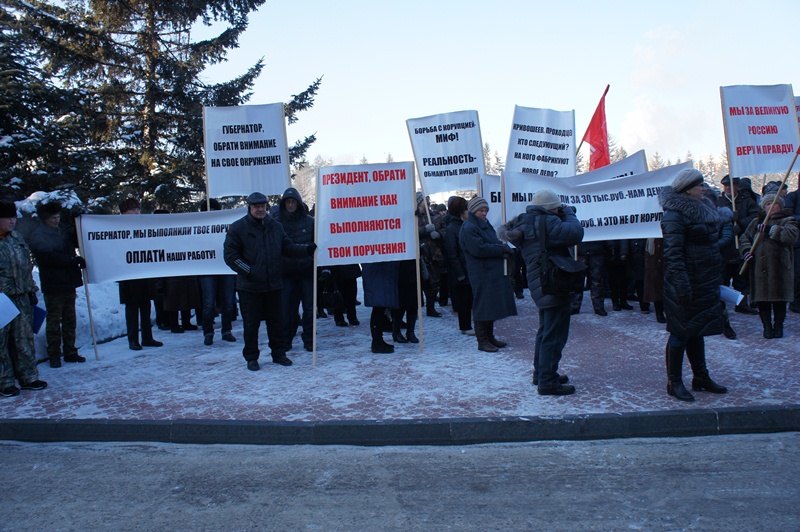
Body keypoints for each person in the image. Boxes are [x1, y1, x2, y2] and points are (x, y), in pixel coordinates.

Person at [223, 192, 316, 371]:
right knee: (251, 324)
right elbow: (231, 256)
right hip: (250, 287)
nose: (260, 210)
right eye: (256, 207)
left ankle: (279, 353)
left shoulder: (275, 226)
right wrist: (249, 271)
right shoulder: (238, 228)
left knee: (276, 322)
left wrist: (306, 249)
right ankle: (251, 357)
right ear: (249, 208)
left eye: (263, 206)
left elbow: (287, 247)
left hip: (274, 284)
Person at [504, 190, 583, 396]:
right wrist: (569, 213)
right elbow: (576, 233)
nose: (560, 210)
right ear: (551, 208)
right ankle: (547, 381)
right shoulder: (548, 221)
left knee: (546, 330)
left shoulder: (526, 221)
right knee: (554, 334)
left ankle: (542, 373)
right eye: (558, 207)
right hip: (553, 282)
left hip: (541, 282)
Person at [660, 168, 728, 402]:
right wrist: (682, 286)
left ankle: (700, 377)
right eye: (700, 185)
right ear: (688, 188)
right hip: (685, 284)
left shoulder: (704, 208)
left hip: (704, 281)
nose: (704, 188)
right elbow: (673, 254)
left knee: (697, 330)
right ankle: (674, 382)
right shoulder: (674, 214)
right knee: (679, 333)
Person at [27, 201, 86, 367]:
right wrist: (72, 261)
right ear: (45, 218)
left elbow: (77, 240)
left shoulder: (63, 230)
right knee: (54, 321)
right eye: (53, 217)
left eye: (58, 216)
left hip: (68, 282)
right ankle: (54, 353)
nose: (56, 220)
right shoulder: (38, 235)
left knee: (70, 319)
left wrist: (77, 222)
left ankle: (70, 351)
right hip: (53, 283)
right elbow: (49, 257)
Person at [0, 200, 48, 397]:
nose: (12, 222)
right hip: (1, 299)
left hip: (20, 297)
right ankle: (4, 382)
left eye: (13, 218)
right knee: (1, 342)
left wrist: (31, 290)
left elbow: (26, 268)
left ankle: (28, 377)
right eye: (7, 218)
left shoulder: (16, 238)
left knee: (24, 338)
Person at [460, 196, 517, 353]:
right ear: (473, 211)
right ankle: (482, 340)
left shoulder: (484, 224)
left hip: (491, 270)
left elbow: (493, 242)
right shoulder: (469, 227)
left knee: (491, 304)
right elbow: (478, 249)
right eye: (481, 210)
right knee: (483, 304)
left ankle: (490, 337)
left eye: (485, 210)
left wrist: (502, 247)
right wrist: (501, 250)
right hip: (480, 271)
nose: (484, 213)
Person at [740, 193, 799, 339]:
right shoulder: (756, 221)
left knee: (779, 299)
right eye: (768, 203)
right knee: (762, 299)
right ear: (764, 206)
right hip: (760, 268)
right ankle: (766, 326)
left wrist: (770, 230)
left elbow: (791, 236)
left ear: (781, 206)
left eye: (775, 203)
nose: (771, 206)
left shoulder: (787, 220)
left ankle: (778, 325)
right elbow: (744, 237)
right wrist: (746, 251)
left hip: (780, 267)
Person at [273, 187, 315, 352]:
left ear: (298, 202)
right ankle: (286, 338)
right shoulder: (276, 223)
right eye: (288, 202)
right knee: (286, 309)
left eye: (293, 201)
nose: (290, 205)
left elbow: (317, 245)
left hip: (306, 271)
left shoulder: (310, 222)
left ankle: (309, 339)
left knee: (309, 308)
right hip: (286, 272)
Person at [117, 198, 162, 351]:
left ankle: (147, 337)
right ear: (124, 212)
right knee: (132, 308)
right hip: (128, 274)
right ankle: (133, 339)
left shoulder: (144, 225)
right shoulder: (117, 227)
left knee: (146, 306)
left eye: (138, 209)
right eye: (133, 210)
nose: (136, 213)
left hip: (145, 272)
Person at [718, 174, 759, 314]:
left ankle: (741, 304)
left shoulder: (746, 201)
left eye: (731, 185)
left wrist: (740, 222)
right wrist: (727, 222)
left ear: (737, 186)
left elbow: (757, 216)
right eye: (726, 186)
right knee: (722, 278)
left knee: (742, 277)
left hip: (741, 246)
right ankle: (720, 306)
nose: (728, 188)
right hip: (725, 248)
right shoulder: (719, 202)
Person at [198, 199, 237, 346]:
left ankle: (226, 331)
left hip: (225, 268)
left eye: (215, 210)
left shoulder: (226, 225)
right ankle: (208, 332)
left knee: (228, 303)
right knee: (208, 304)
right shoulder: (199, 226)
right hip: (207, 270)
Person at [443, 196, 474, 335]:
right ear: (461, 212)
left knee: (470, 298)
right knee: (464, 300)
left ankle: (470, 324)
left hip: (469, 268)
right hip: (461, 270)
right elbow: (452, 253)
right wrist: (459, 273)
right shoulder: (452, 228)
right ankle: (465, 326)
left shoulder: (466, 225)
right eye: (466, 209)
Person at [415, 192, 445, 317]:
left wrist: (439, 233)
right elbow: (409, 232)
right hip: (420, 254)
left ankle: (430, 307)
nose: (427, 200)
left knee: (434, 282)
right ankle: (417, 307)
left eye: (427, 199)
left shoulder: (435, 216)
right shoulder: (413, 217)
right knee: (420, 281)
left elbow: (445, 229)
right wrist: (423, 230)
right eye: (423, 199)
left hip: (434, 253)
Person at [783, 183, 800, 313]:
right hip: (797, 242)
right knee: (797, 275)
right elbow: (788, 216)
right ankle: (796, 302)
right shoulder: (792, 197)